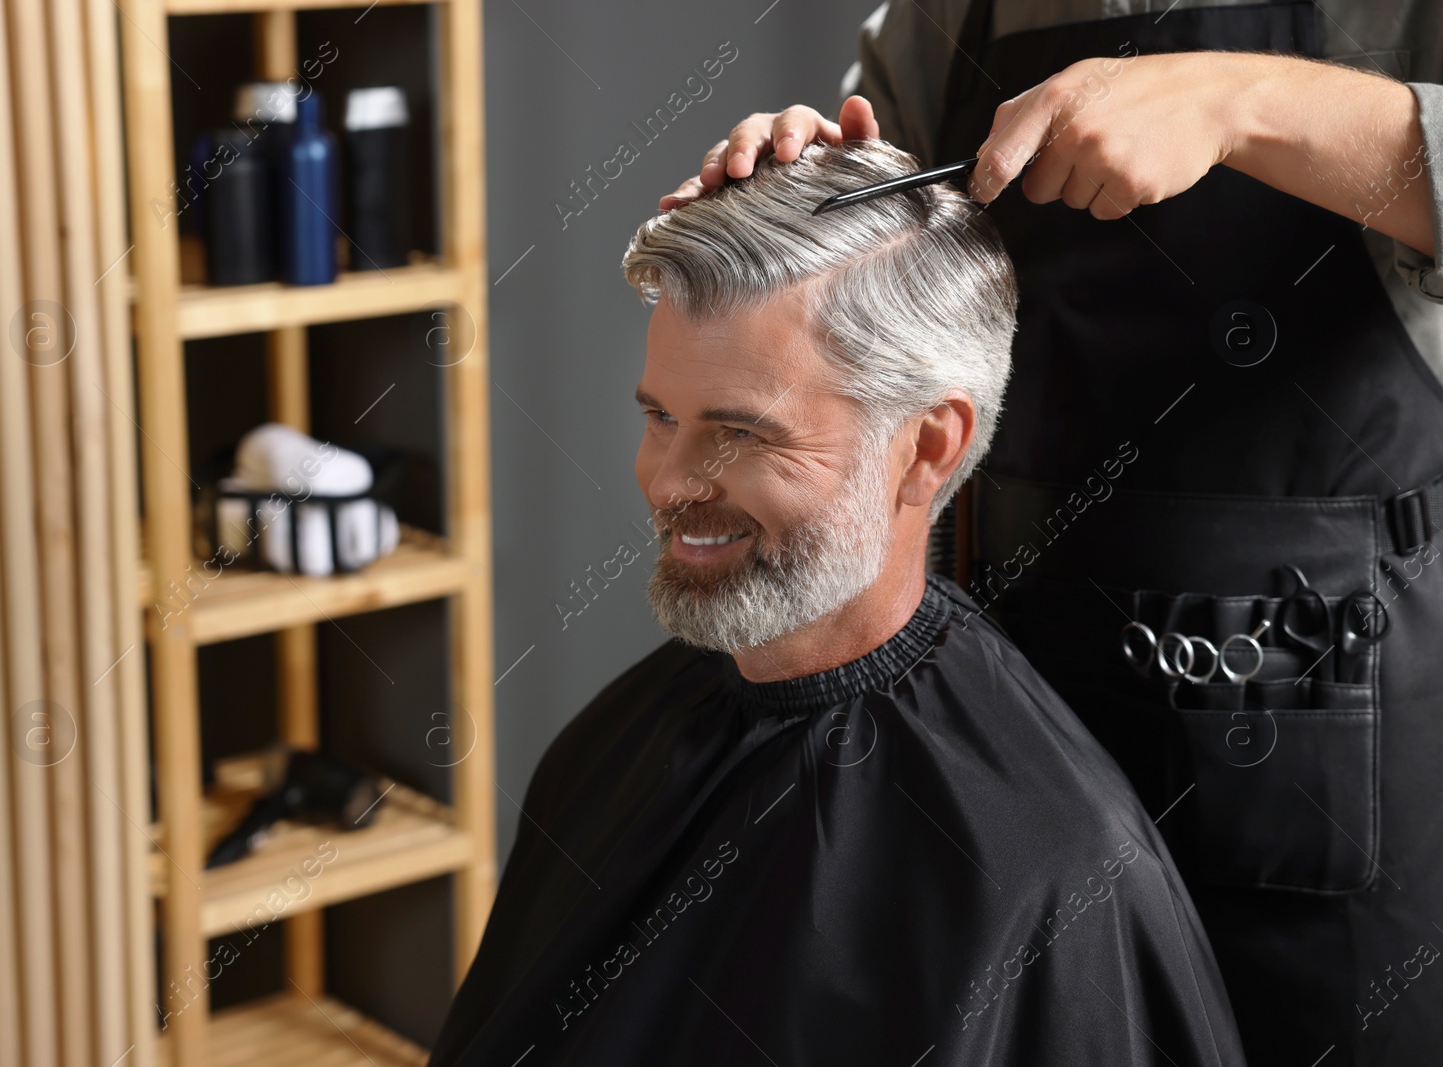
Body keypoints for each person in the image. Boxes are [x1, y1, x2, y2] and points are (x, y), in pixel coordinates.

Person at [661, 3, 1443, 1066]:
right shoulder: (947, 16)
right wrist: (812, 188)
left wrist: (1241, 104)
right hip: (1009, 686)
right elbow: (902, 224)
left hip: (1322, 720)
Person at [429, 140, 1244, 1067]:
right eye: (661, 417)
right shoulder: (606, 747)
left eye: (740, 432)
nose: (671, 484)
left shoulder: (1052, 877)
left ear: (927, 447)